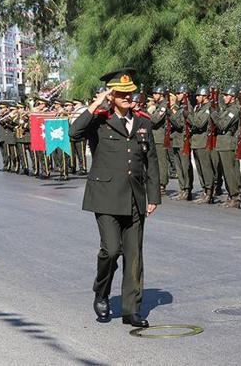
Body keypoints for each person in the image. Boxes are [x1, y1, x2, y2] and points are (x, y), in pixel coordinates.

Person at [69, 68, 160, 328]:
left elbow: (150, 161)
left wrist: (153, 195)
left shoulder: (142, 121)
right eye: (121, 94)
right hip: (106, 196)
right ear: (112, 95)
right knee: (111, 250)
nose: (128, 98)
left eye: (130, 93)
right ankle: (101, 292)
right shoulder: (99, 119)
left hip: (134, 196)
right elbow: (73, 134)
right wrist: (96, 104)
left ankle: (132, 309)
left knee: (134, 256)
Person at [213, 85, 241, 209]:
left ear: (233, 97)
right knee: (226, 172)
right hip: (222, 142)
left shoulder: (234, 110)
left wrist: (214, 114)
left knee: (230, 171)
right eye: (224, 95)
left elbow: (222, 125)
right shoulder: (227, 109)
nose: (224, 97)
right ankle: (231, 195)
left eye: (227, 95)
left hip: (228, 143)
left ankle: (235, 196)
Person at [189, 86, 216, 204]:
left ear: (205, 97)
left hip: (203, 142)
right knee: (200, 169)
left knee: (205, 168)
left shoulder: (208, 108)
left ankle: (209, 192)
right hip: (196, 142)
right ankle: (205, 190)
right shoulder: (198, 108)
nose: (197, 97)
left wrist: (188, 117)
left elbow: (199, 123)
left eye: (199, 95)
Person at [169, 84, 194, 201]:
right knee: (179, 167)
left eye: (179, 93)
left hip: (183, 140)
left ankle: (187, 189)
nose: (177, 95)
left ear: (185, 94)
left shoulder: (187, 108)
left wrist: (170, 115)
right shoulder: (179, 107)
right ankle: (182, 188)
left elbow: (179, 124)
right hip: (176, 140)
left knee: (185, 166)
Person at [149, 86, 171, 194]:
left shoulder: (164, 106)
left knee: (162, 161)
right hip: (155, 136)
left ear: (161, 94)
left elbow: (155, 120)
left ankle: (162, 183)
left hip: (160, 137)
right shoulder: (158, 105)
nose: (153, 96)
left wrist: (147, 112)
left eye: (155, 94)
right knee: (156, 161)